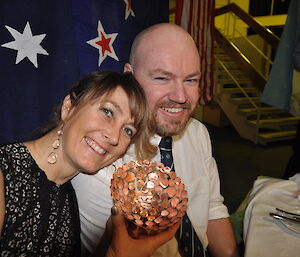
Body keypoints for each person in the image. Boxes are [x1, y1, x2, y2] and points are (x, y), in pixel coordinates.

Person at [72, 24, 240, 257]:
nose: (180, 97)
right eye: (163, 78)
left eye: (191, 80)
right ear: (130, 76)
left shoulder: (198, 132)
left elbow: (212, 208)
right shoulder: (100, 155)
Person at [0, 70, 179, 256]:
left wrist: (109, 244)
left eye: (127, 130)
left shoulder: (68, 198)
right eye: (107, 112)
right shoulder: (5, 174)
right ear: (69, 107)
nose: (114, 137)